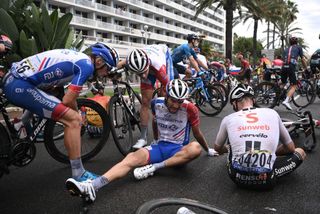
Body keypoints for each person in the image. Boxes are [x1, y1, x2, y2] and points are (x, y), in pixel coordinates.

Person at [65, 79, 218, 202]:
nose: (176, 105)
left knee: (195, 147)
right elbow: (155, 121)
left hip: (177, 150)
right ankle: (93, 186)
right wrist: (156, 140)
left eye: (180, 101)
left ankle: (153, 168)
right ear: (166, 94)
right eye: (172, 100)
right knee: (130, 158)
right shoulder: (156, 103)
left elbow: (197, 133)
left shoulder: (190, 108)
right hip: (160, 148)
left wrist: (208, 149)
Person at [2, 42, 119, 181]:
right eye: (107, 69)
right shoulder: (86, 65)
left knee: (54, 100)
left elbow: (61, 92)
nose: (106, 74)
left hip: (13, 79)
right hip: (20, 85)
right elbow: (68, 100)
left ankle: (21, 127)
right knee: (73, 120)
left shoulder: (77, 57)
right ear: (99, 61)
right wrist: (79, 116)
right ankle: (79, 174)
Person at [213, 84, 306, 190]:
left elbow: (217, 148)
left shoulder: (228, 118)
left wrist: (231, 148)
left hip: (237, 178)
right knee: (300, 152)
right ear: (253, 100)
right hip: (267, 178)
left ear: (235, 103)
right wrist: (269, 152)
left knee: (231, 143)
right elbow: (290, 148)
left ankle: (244, 158)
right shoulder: (272, 113)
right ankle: (265, 159)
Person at [117, 44, 175, 149]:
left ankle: (167, 133)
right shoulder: (131, 61)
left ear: (147, 65)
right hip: (147, 61)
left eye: (143, 72)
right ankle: (143, 138)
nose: (143, 76)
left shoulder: (158, 65)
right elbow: (117, 66)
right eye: (139, 74)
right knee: (145, 102)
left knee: (166, 95)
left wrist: (166, 92)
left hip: (163, 55)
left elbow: (170, 89)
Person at [281, 36, 308, 110]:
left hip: (283, 66)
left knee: (283, 83)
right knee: (294, 85)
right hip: (291, 67)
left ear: (290, 43)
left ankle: (278, 97)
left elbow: (284, 58)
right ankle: (286, 101)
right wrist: (306, 68)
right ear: (297, 42)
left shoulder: (286, 49)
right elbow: (302, 59)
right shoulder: (299, 48)